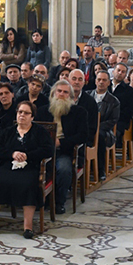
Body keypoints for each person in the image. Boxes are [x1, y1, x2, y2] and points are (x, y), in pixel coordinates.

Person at [0, 100, 53, 239]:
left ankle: (28, 227)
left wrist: (27, 155)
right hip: (8, 165)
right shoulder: (8, 131)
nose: (22, 115)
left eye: (26, 113)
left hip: (30, 166)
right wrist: (12, 154)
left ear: (32, 116)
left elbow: (48, 150)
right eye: (20, 112)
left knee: (28, 184)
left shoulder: (40, 132)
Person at [34, 80, 87, 215]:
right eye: (59, 91)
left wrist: (61, 143)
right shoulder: (42, 111)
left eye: (65, 92)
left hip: (65, 151)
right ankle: (39, 199)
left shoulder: (78, 112)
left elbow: (82, 135)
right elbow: (35, 132)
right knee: (31, 167)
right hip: (43, 151)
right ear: (53, 93)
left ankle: (59, 202)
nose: (62, 94)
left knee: (63, 169)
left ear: (70, 96)